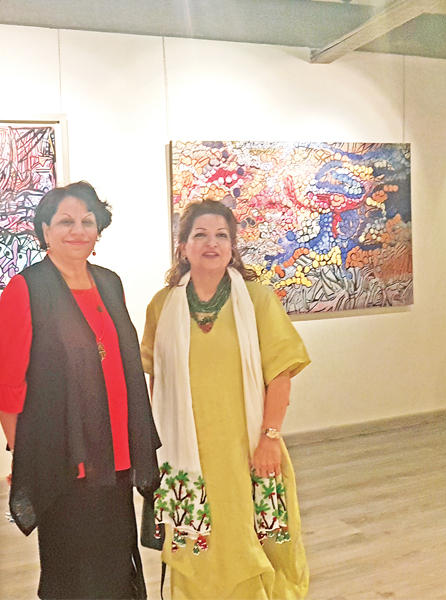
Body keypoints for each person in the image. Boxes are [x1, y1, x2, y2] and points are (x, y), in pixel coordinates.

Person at [0, 181, 161, 599]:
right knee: (73, 572)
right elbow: (8, 388)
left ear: (99, 229)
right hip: (64, 462)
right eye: (66, 221)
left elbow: (123, 363)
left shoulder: (110, 282)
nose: (78, 230)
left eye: (87, 221)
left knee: (116, 564)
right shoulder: (26, 289)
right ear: (45, 230)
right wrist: (27, 456)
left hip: (118, 455)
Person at [140, 199, 311, 599]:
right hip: (187, 453)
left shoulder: (257, 300)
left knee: (251, 541)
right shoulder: (162, 305)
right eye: (200, 235)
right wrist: (156, 445)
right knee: (196, 549)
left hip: (246, 448)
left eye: (221, 235)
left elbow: (280, 375)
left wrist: (270, 438)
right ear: (183, 246)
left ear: (233, 246)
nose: (211, 243)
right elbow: (157, 380)